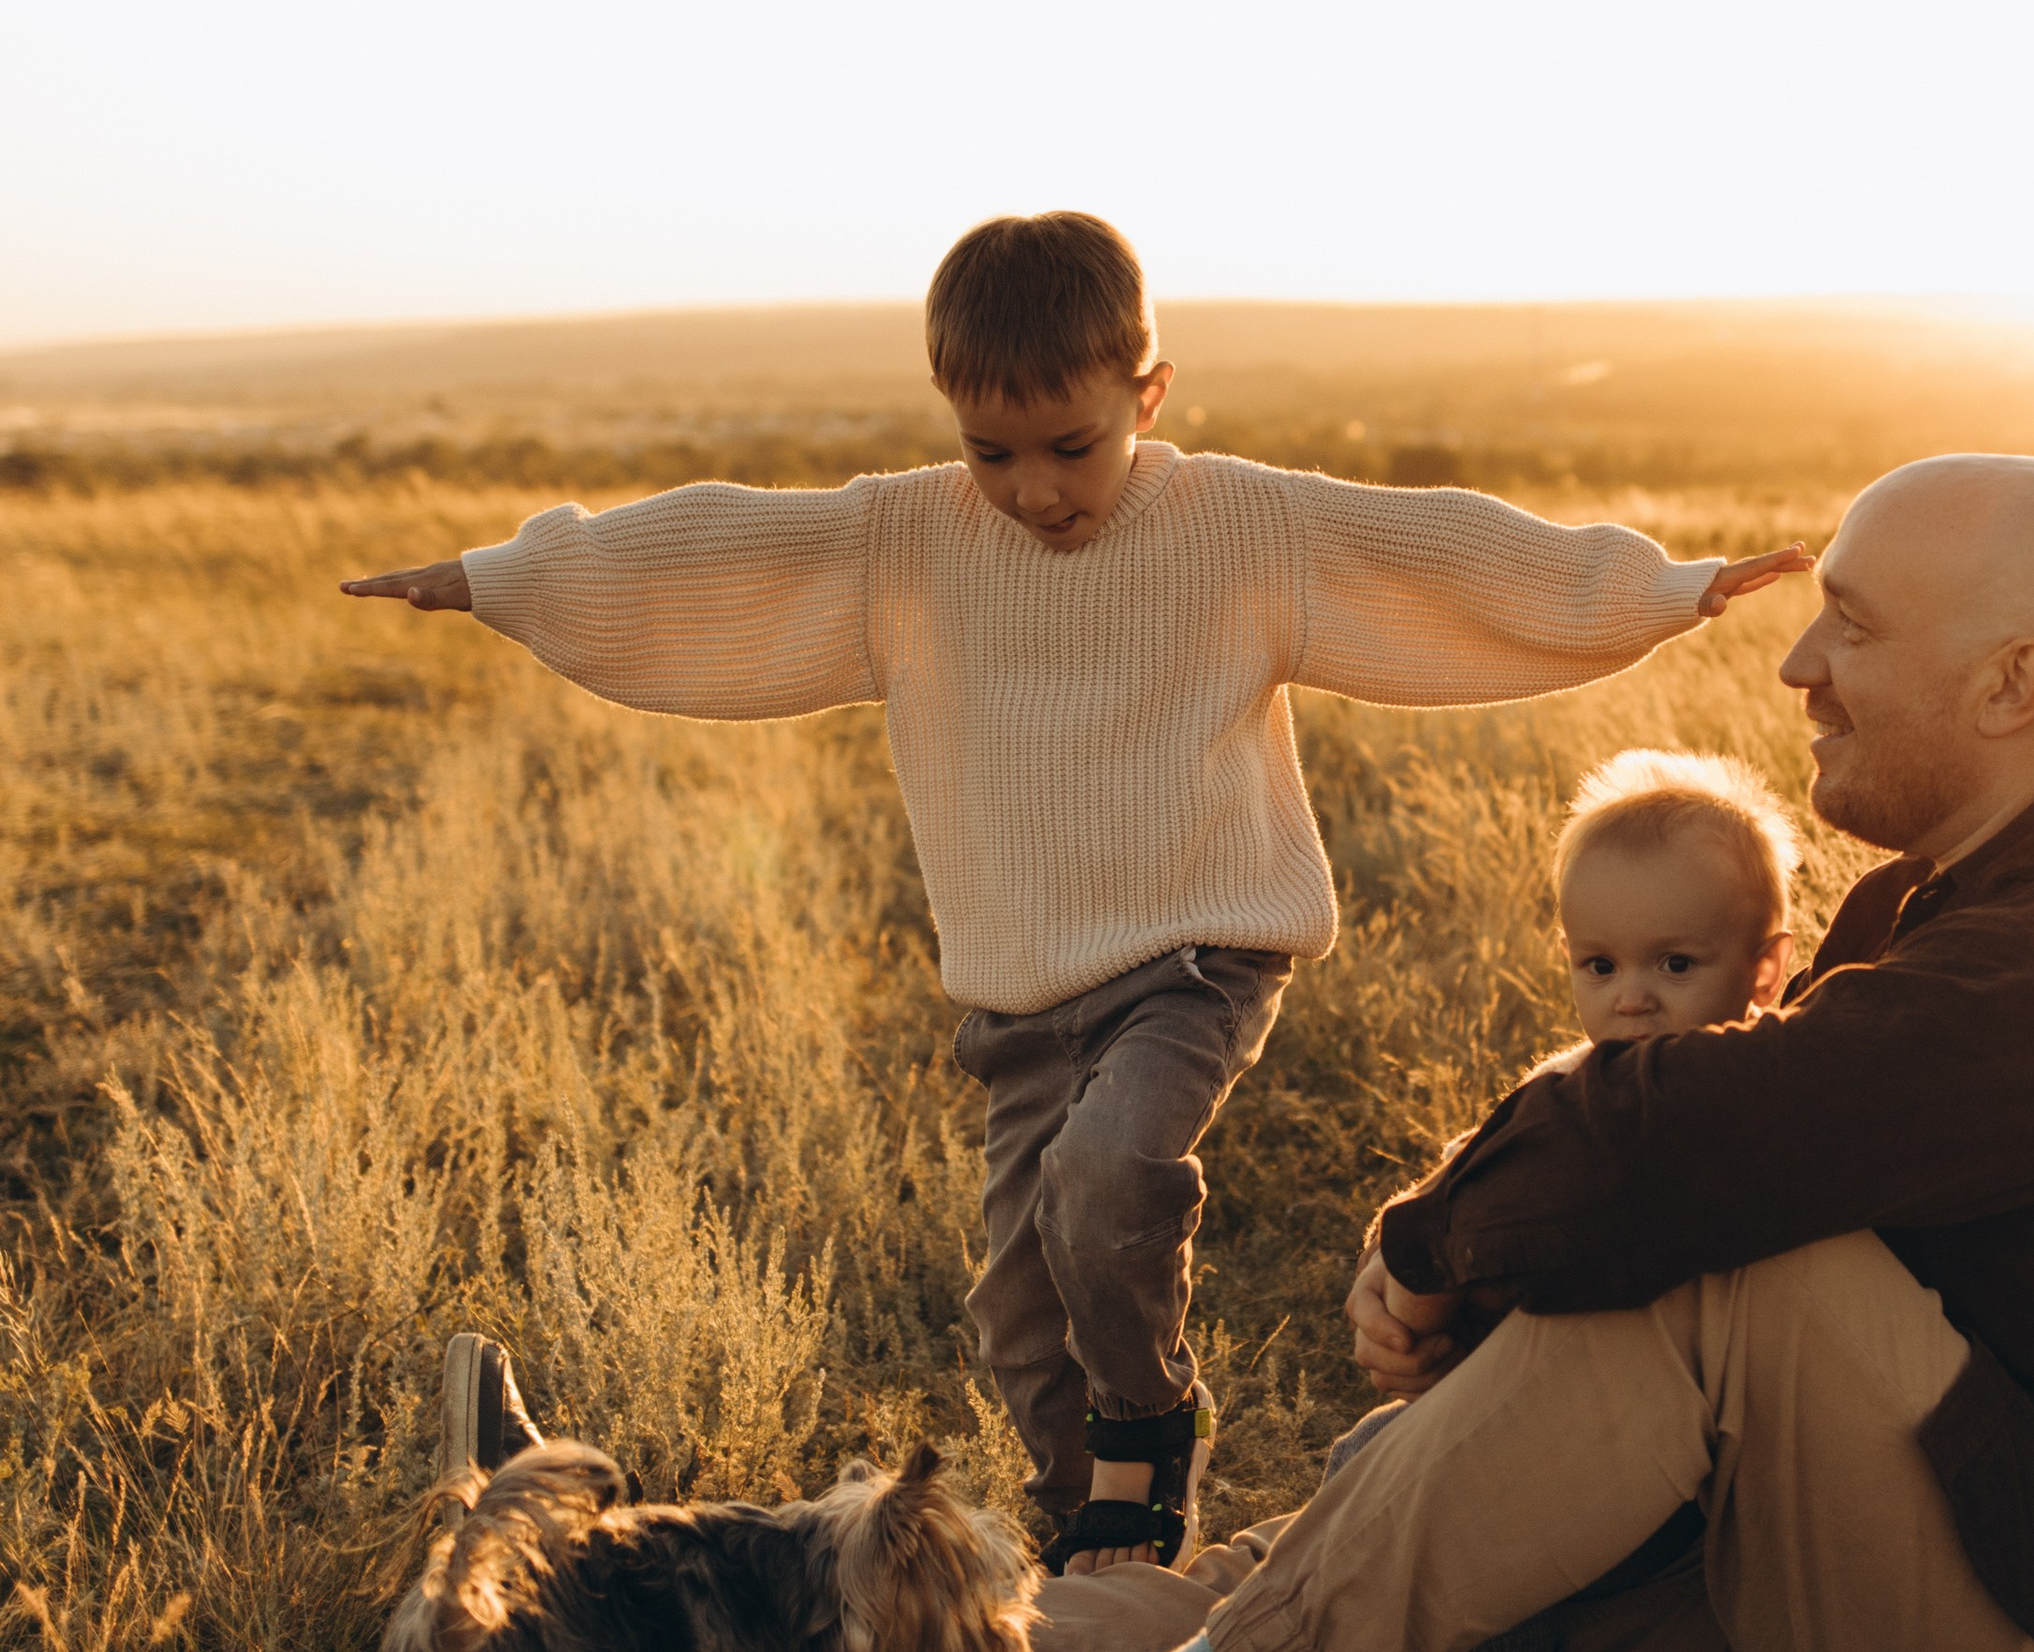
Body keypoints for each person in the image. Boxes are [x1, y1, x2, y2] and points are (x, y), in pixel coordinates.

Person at [756, 453, 2034, 1652]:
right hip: (1926, 1591)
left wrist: (1433, 1238)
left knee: (1724, 1272)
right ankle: (693, 1638)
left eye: (1849, 625)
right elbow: (1666, 1154)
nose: (1798, 665)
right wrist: (1486, 1260)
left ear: (2011, 685)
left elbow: (1671, 1156)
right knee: (1300, 1594)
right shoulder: (1950, 908)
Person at [348, 213, 1806, 1574]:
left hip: (1197, 953)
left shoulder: (1244, 529)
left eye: (1070, 444)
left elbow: (1438, 550)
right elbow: (720, 550)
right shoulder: (908, 540)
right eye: (990, 452)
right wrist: (505, 580)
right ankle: (1082, 1536)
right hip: (1019, 997)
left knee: (1108, 1182)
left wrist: (1657, 588)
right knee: (1017, 1305)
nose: (1034, 491)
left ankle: (1144, 1437)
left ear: (1149, 393)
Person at [1321, 745, 1797, 1652]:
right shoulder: (1568, 1088)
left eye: (1675, 966)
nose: (1630, 999)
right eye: (1598, 967)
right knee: (1376, 1465)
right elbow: (1462, 1187)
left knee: (1479, 1496)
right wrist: (1396, 1282)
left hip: (1649, 1460)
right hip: (1523, 1404)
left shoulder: (1750, 1104)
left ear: (1761, 972)